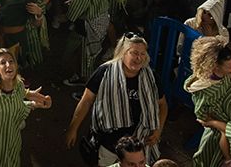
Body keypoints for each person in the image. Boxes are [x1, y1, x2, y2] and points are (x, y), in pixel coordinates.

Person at [65, 33, 168, 166]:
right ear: (123, 53)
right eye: (134, 53)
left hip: (139, 143)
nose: (139, 58)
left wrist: (158, 130)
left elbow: (163, 105)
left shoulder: (151, 77)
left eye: (143, 54)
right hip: (108, 142)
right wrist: (73, 129)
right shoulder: (104, 72)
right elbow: (86, 101)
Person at [0, 47, 52, 167]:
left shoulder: (19, 87)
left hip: (12, 146)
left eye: (11, 61)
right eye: (3, 62)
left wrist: (36, 104)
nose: (9, 65)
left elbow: (17, 107)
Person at [184, 37, 231, 167]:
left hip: (226, 119)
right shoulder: (207, 89)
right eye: (230, 67)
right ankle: (228, 160)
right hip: (216, 128)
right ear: (214, 66)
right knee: (208, 158)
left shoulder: (224, 75)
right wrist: (212, 121)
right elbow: (201, 112)